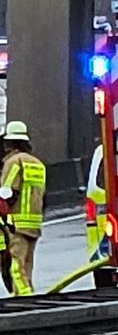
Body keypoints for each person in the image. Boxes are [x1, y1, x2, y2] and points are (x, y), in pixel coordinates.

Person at [0, 121, 46, 296]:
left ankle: (24, 301)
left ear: (10, 144)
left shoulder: (14, 162)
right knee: (27, 266)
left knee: (15, 266)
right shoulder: (37, 164)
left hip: (15, 223)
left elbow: (6, 192)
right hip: (33, 224)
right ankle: (25, 295)